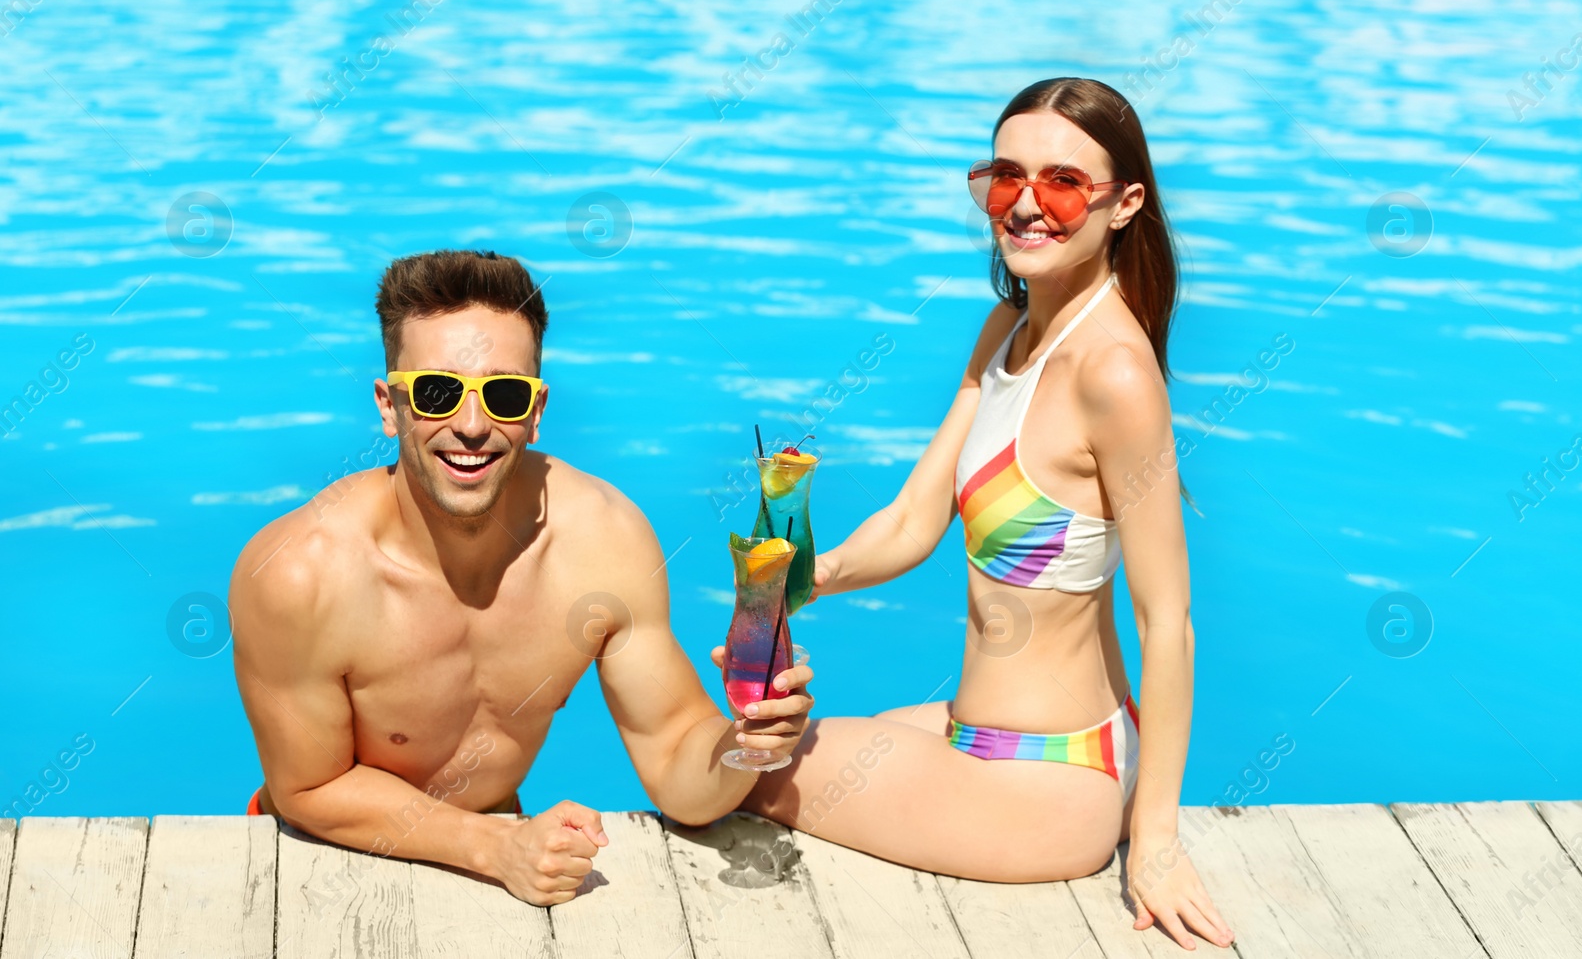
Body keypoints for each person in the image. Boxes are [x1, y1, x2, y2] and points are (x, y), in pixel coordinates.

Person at [743, 78, 1235, 950]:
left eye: (1063, 183)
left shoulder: (1114, 373)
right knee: (758, 738)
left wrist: (1155, 840)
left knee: (729, 770)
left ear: (1125, 204)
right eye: (1008, 179)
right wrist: (786, 587)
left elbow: (1170, 624)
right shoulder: (1007, 329)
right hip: (980, 736)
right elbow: (911, 522)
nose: (1028, 207)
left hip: (1053, 782)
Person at [231, 249, 813, 907]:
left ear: (535, 411)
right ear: (390, 405)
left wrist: (746, 742)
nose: (472, 426)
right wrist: (493, 847)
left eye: (503, 394)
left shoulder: (603, 540)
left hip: (502, 859)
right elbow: (309, 788)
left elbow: (679, 760)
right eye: (436, 391)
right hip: (321, 865)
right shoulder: (300, 573)